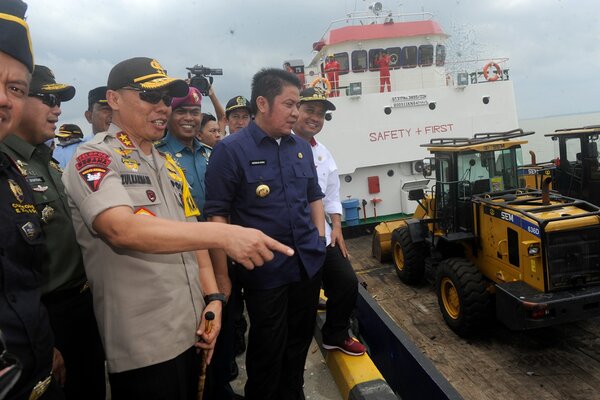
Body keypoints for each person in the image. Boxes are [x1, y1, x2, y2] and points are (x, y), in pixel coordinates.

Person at [61, 57, 293, 400]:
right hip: (146, 345)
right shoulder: (93, 158)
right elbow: (120, 229)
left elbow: (190, 235)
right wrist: (224, 234)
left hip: (193, 329)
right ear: (113, 99)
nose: (161, 108)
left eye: (166, 99)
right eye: (148, 96)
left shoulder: (167, 164)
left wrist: (213, 297)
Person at [204, 68, 326, 400]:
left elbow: (314, 195)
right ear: (262, 102)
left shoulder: (300, 147)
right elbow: (217, 214)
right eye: (289, 104)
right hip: (265, 271)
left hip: (305, 264)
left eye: (297, 105)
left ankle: (293, 392)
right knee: (268, 345)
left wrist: (318, 240)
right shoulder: (230, 150)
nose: (296, 113)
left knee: (299, 340)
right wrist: (222, 274)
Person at [0, 65, 107, 399]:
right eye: (48, 98)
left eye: (59, 100)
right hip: (43, 314)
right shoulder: (7, 166)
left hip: (80, 305)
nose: (57, 108)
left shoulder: (48, 161)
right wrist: (42, 339)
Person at [0, 1, 65, 399]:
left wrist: (43, 345)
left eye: (15, 88)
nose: (4, 99)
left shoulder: (12, 176)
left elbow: (21, 284)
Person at [292, 87, 366, 356]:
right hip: (295, 240)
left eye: (320, 114)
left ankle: (335, 334)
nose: (315, 118)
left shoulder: (323, 152)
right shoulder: (282, 146)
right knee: (304, 300)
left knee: (346, 282)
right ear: (295, 111)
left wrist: (337, 227)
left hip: (323, 236)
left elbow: (332, 194)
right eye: (309, 110)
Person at [155, 86, 211, 218]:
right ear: (168, 116)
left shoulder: (212, 154)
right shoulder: (156, 154)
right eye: (181, 112)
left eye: (195, 112)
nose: (189, 118)